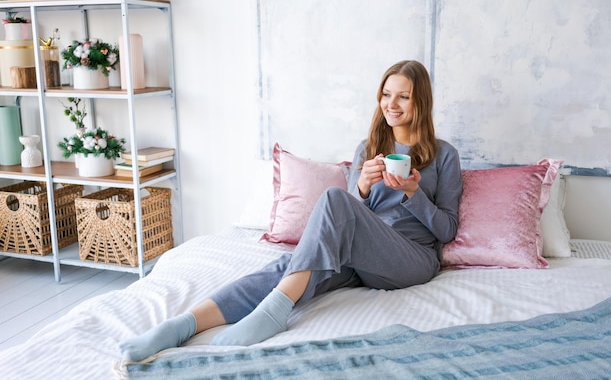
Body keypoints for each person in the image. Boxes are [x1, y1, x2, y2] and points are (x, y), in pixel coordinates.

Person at [119, 59, 463, 362]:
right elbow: (348, 215)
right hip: (363, 257)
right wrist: (362, 186)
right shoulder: (369, 148)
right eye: (387, 94)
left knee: (331, 201)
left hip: (412, 260)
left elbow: (447, 229)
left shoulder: (444, 155)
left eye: (403, 96)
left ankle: (274, 312)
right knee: (289, 265)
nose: (392, 104)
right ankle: (183, 325)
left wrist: (413, 193)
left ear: (420, 101)